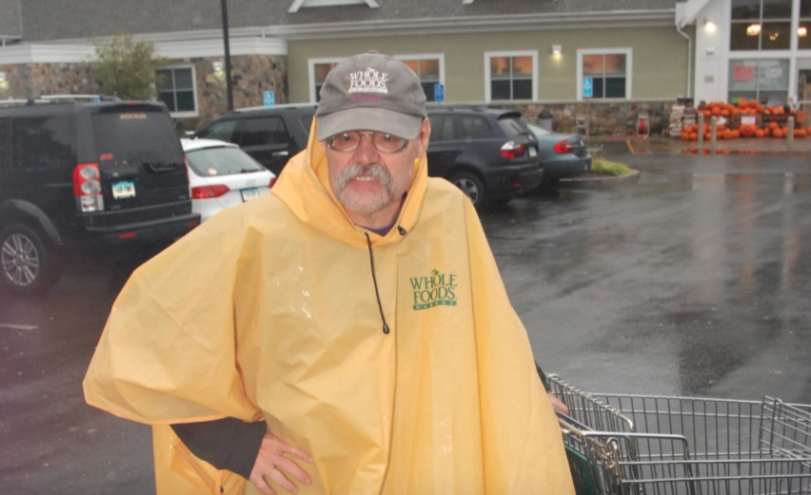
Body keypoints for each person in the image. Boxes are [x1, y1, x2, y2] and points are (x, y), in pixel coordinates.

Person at [83, 51, 575, 495]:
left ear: (421, 139)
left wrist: (522, 384)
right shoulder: (257, 234)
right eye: (346, 138)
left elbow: (486, 312)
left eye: (387, 138)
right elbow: (143, 347)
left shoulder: (448, 213)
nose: (364, 158)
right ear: (321, 138)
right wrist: (235, 444)